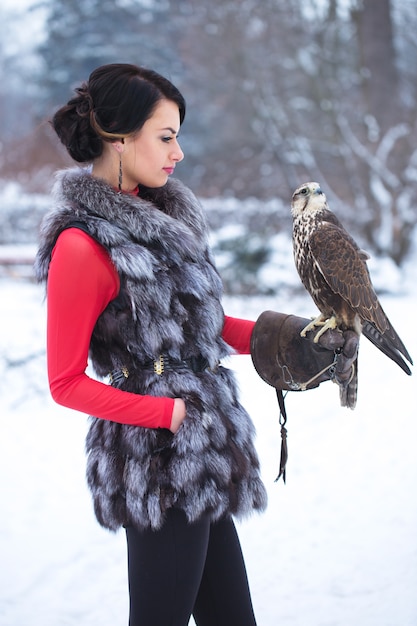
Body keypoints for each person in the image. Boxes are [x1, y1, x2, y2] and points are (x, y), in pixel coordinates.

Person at [35, 63, 358, 626]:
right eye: (165, 136)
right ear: (117, 137)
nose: (177, 152)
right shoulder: (81, 244)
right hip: (155, 463)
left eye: (177, 136)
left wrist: (288, 337)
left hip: (207, 450)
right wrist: (168, 413)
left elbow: (201, 329)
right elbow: (65, 384)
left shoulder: (167, 221)